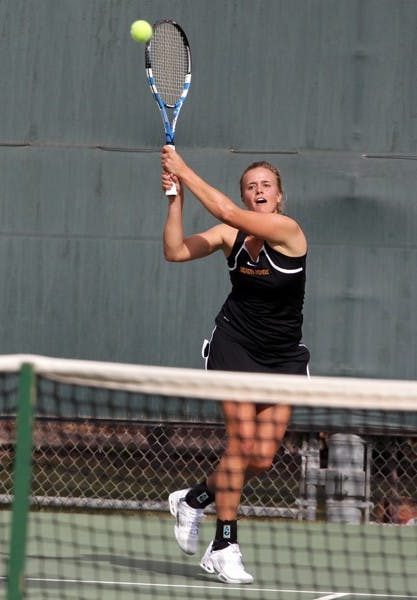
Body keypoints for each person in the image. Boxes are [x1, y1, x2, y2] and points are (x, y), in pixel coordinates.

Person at [161, 146, 310, 585]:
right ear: (246, 196)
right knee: (241, 444)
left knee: (261, 459)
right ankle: (225, 546)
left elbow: (223, 206)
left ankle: (195, 498)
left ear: (279, 197)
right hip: (235, 346)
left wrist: (183, 169)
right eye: (251, 187)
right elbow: (174, 251)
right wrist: (176, 198)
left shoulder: (289, 230)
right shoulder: (231, 234)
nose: (259, 191)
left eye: (266, 186)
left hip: (283, 355)